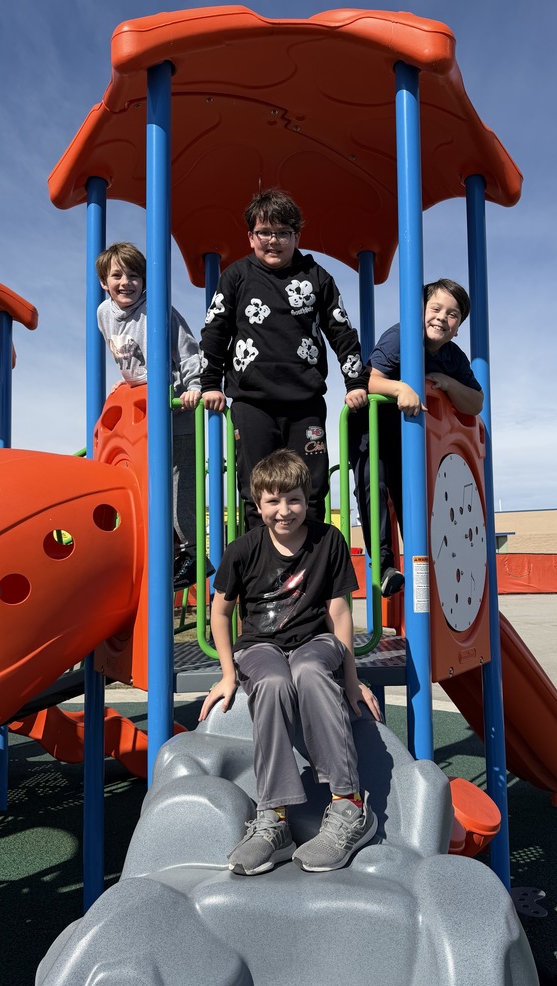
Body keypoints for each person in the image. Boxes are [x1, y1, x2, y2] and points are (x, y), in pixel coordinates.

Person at [199, 449, 381, 875]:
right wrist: (227, 674)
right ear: (258, 504)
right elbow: (220, 613)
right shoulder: (243, 549)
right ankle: (274, 819)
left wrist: (351, 680)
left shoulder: (328, 540)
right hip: (259, 645)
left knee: (311, 673)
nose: (285, 511)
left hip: (314, 642)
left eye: (294, 499)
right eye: (274, 502)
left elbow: (339, 614)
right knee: (275, 683)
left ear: (308, 497)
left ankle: (350, 806)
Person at [199, 187, 369, 529]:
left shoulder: (315, 276)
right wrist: (209, 384)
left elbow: (341, 329)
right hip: (252, 401)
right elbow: (215, 331)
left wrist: (355, 382)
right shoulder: (236, 277)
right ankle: (265, 574)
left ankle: (313, 569)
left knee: (311, 487)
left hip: (303, 401)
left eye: (282, 233)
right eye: (264, 232)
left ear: (297, 235)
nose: (273, 241)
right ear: (250, 237)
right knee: (257, 488)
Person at [348, 279, 484, 597]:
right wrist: (401, 388)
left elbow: (476, 402)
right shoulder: (402, 337)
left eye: (452, 314)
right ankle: (383, 568)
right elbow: (369, 380)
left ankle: (423, 562)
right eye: (435, 308)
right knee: (374, 484)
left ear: (458, 327)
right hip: (372, 429)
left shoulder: (453, 357)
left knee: (414, 495)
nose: (441, 317)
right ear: (420, 310)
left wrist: (448, 384)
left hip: (408, 435)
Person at [96, 241, 211, 591]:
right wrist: (128, 381)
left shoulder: (157, 310)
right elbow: (127, 356)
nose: (125, 282)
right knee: (140, 489)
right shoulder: (103, 313)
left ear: (145, 281)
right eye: (117, 275)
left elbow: (187, 350)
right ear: (105, 281)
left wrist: (193, 386)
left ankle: (195, 555)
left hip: (174, 408)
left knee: (181, 490)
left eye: (134, 275)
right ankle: (155, 553)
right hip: (140, 413)